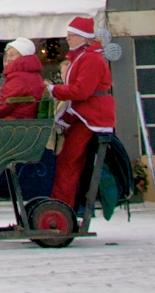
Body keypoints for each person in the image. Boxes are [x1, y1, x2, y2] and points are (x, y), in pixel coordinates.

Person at [44, 18, 115, 210]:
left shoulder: (90, 58)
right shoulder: (84, 56)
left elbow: (81, 91)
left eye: (71, 35)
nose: (68, 39)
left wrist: (54, 91)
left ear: (83, 37)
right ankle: (63, 205)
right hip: (84, 115)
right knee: (70, 162)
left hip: (91, 116)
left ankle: (62, 207)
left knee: (69, 161)